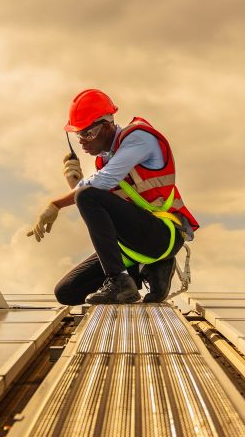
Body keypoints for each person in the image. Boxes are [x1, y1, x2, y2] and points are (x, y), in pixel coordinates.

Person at [27, 89, 200, 304]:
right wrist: (72, 178)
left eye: (88, 134)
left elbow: (96, 188)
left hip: (164, 234)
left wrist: (56, 204)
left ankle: (120, 280)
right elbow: (101, 209)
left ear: (108, 127)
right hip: (134, 243)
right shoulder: (107, 160)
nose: (82, 142)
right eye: (78, 135)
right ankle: (144, 271)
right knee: (66, 293)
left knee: (88, 196)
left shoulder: (138, 138)